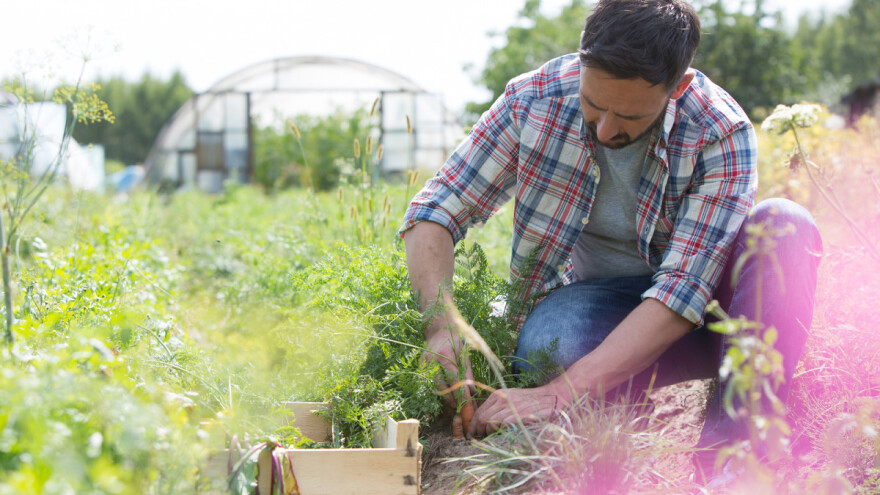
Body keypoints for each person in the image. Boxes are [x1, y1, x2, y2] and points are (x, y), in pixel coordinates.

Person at [399, 0, 821, 481]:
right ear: (581, 64)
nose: (604, 128)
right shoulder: (533, 99)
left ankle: (736, 455)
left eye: (628, 116)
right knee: (550, 344)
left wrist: (559, 394)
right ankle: (622, 400)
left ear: (676, 88)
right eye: (593, 104)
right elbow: (436, 208)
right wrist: (440, 325)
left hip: (712, 310)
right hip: (604, 301)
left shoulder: (719, 129)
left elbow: (681, 291)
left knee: (786, 223)